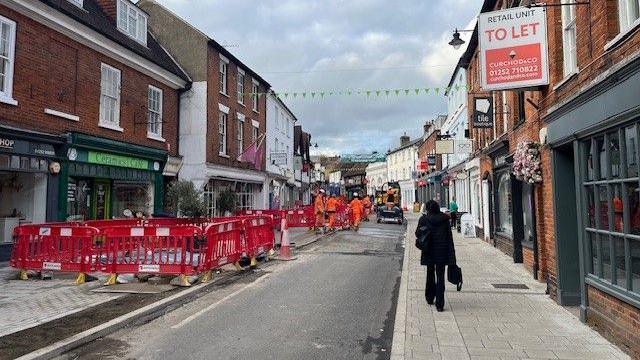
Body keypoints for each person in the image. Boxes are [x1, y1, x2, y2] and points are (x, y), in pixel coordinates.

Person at [415, 200, 456, 312]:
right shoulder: (444, 219)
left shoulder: (424, 219)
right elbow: (449, 238)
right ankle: (440, 304)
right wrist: (452, 256)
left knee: (430, 274)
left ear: (428, 208)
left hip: (429, 251)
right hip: (442, 252)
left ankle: (429, 297)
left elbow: (417, 233)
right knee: (440, 277)